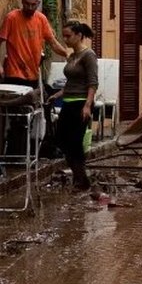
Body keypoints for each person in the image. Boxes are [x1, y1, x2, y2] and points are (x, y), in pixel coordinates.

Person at [48, 21, 98, 191]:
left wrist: (87, 105)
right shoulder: (72, 56)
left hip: (81, 104)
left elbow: (92, 83)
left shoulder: (88, 55)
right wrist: (57, 94)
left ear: (79, 35)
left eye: (69, 36)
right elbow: (70, 83)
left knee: (75, 141)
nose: (66, 39)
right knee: (61, 139)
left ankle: (81, 181)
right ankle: (80, 177)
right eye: (64, 36)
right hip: (68, 103)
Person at [0, 0, 68, 88]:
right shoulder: (11, 18)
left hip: (33, 73)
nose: (30, 7)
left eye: (33, 4)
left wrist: (67, 54)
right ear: (22, 1)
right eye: (27, 4)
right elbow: (1, 42)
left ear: (38, 3)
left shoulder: (41, 19)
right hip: (14, 72)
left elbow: (52, 42)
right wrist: (0, 65)